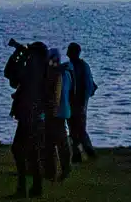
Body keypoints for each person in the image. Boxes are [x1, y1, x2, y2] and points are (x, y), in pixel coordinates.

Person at [5, 40, 49, 198]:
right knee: (31, 152)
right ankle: (35, 187)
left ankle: (24, 187)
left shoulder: (34, 68)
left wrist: (18, 55)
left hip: (29, 114)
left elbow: (11, 75)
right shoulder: (43, 68)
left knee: (19, 149)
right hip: (37, 115)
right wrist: (20, 54)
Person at [45, 47, 74, 180]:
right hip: (64, 111)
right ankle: (63, 168)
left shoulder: (55, 74)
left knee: (51, 143)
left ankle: (53, 171)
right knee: (60, 141)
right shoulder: (67, 73)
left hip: (54, 112)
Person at [66, 42, 98, 161]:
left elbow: (88, 85)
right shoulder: (76, 66)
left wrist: (83, 101)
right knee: (75, 129)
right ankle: (79, 152)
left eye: (69, 50)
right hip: (74, 102)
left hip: (78, 102)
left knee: (78, 129)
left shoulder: (79, 66)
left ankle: (85, 151)